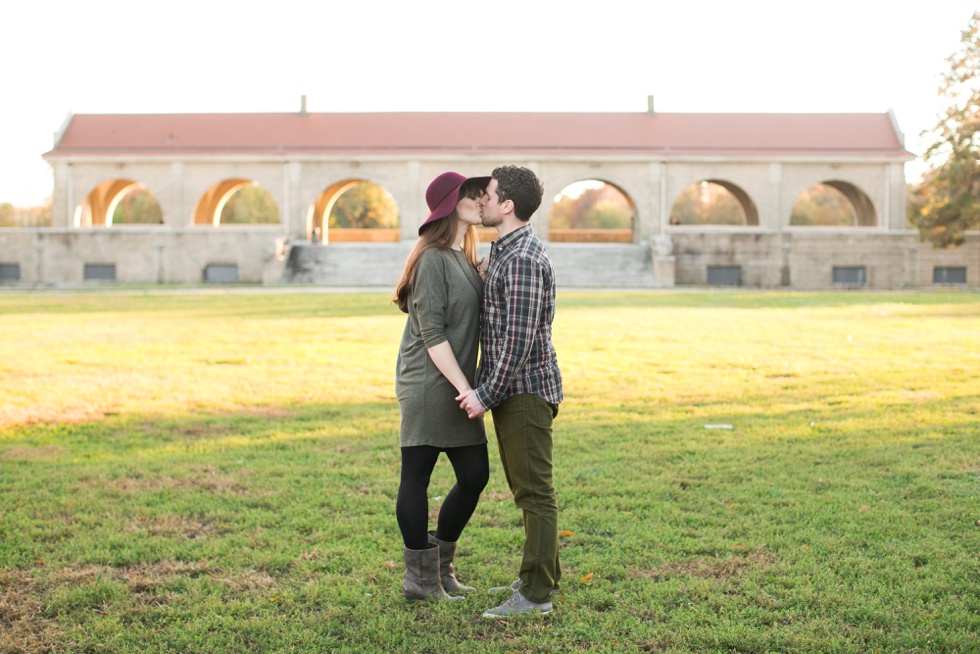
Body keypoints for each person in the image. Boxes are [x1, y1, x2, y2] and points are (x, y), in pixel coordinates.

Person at [457, 166, 564, 618]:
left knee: (534, 494)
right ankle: (539, 577)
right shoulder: (507, 251)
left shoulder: (519, 259)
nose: (481, 201)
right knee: (529, 491)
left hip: (522, 391)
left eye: (490, 195)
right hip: (515, 390)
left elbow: (517, 342)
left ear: (507, 206)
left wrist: (485, 395)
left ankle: (536, 596)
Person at [393, 171, 491, 601]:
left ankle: (440, 569)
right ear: (450, 206)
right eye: (469, 195)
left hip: (455, 382)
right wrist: (466, 389)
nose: (478, 199)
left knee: (474, 475)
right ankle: (419, 580)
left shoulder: (461, 257)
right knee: (417, 473)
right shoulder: (432, 258)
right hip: (430, 381)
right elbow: (433, 336)